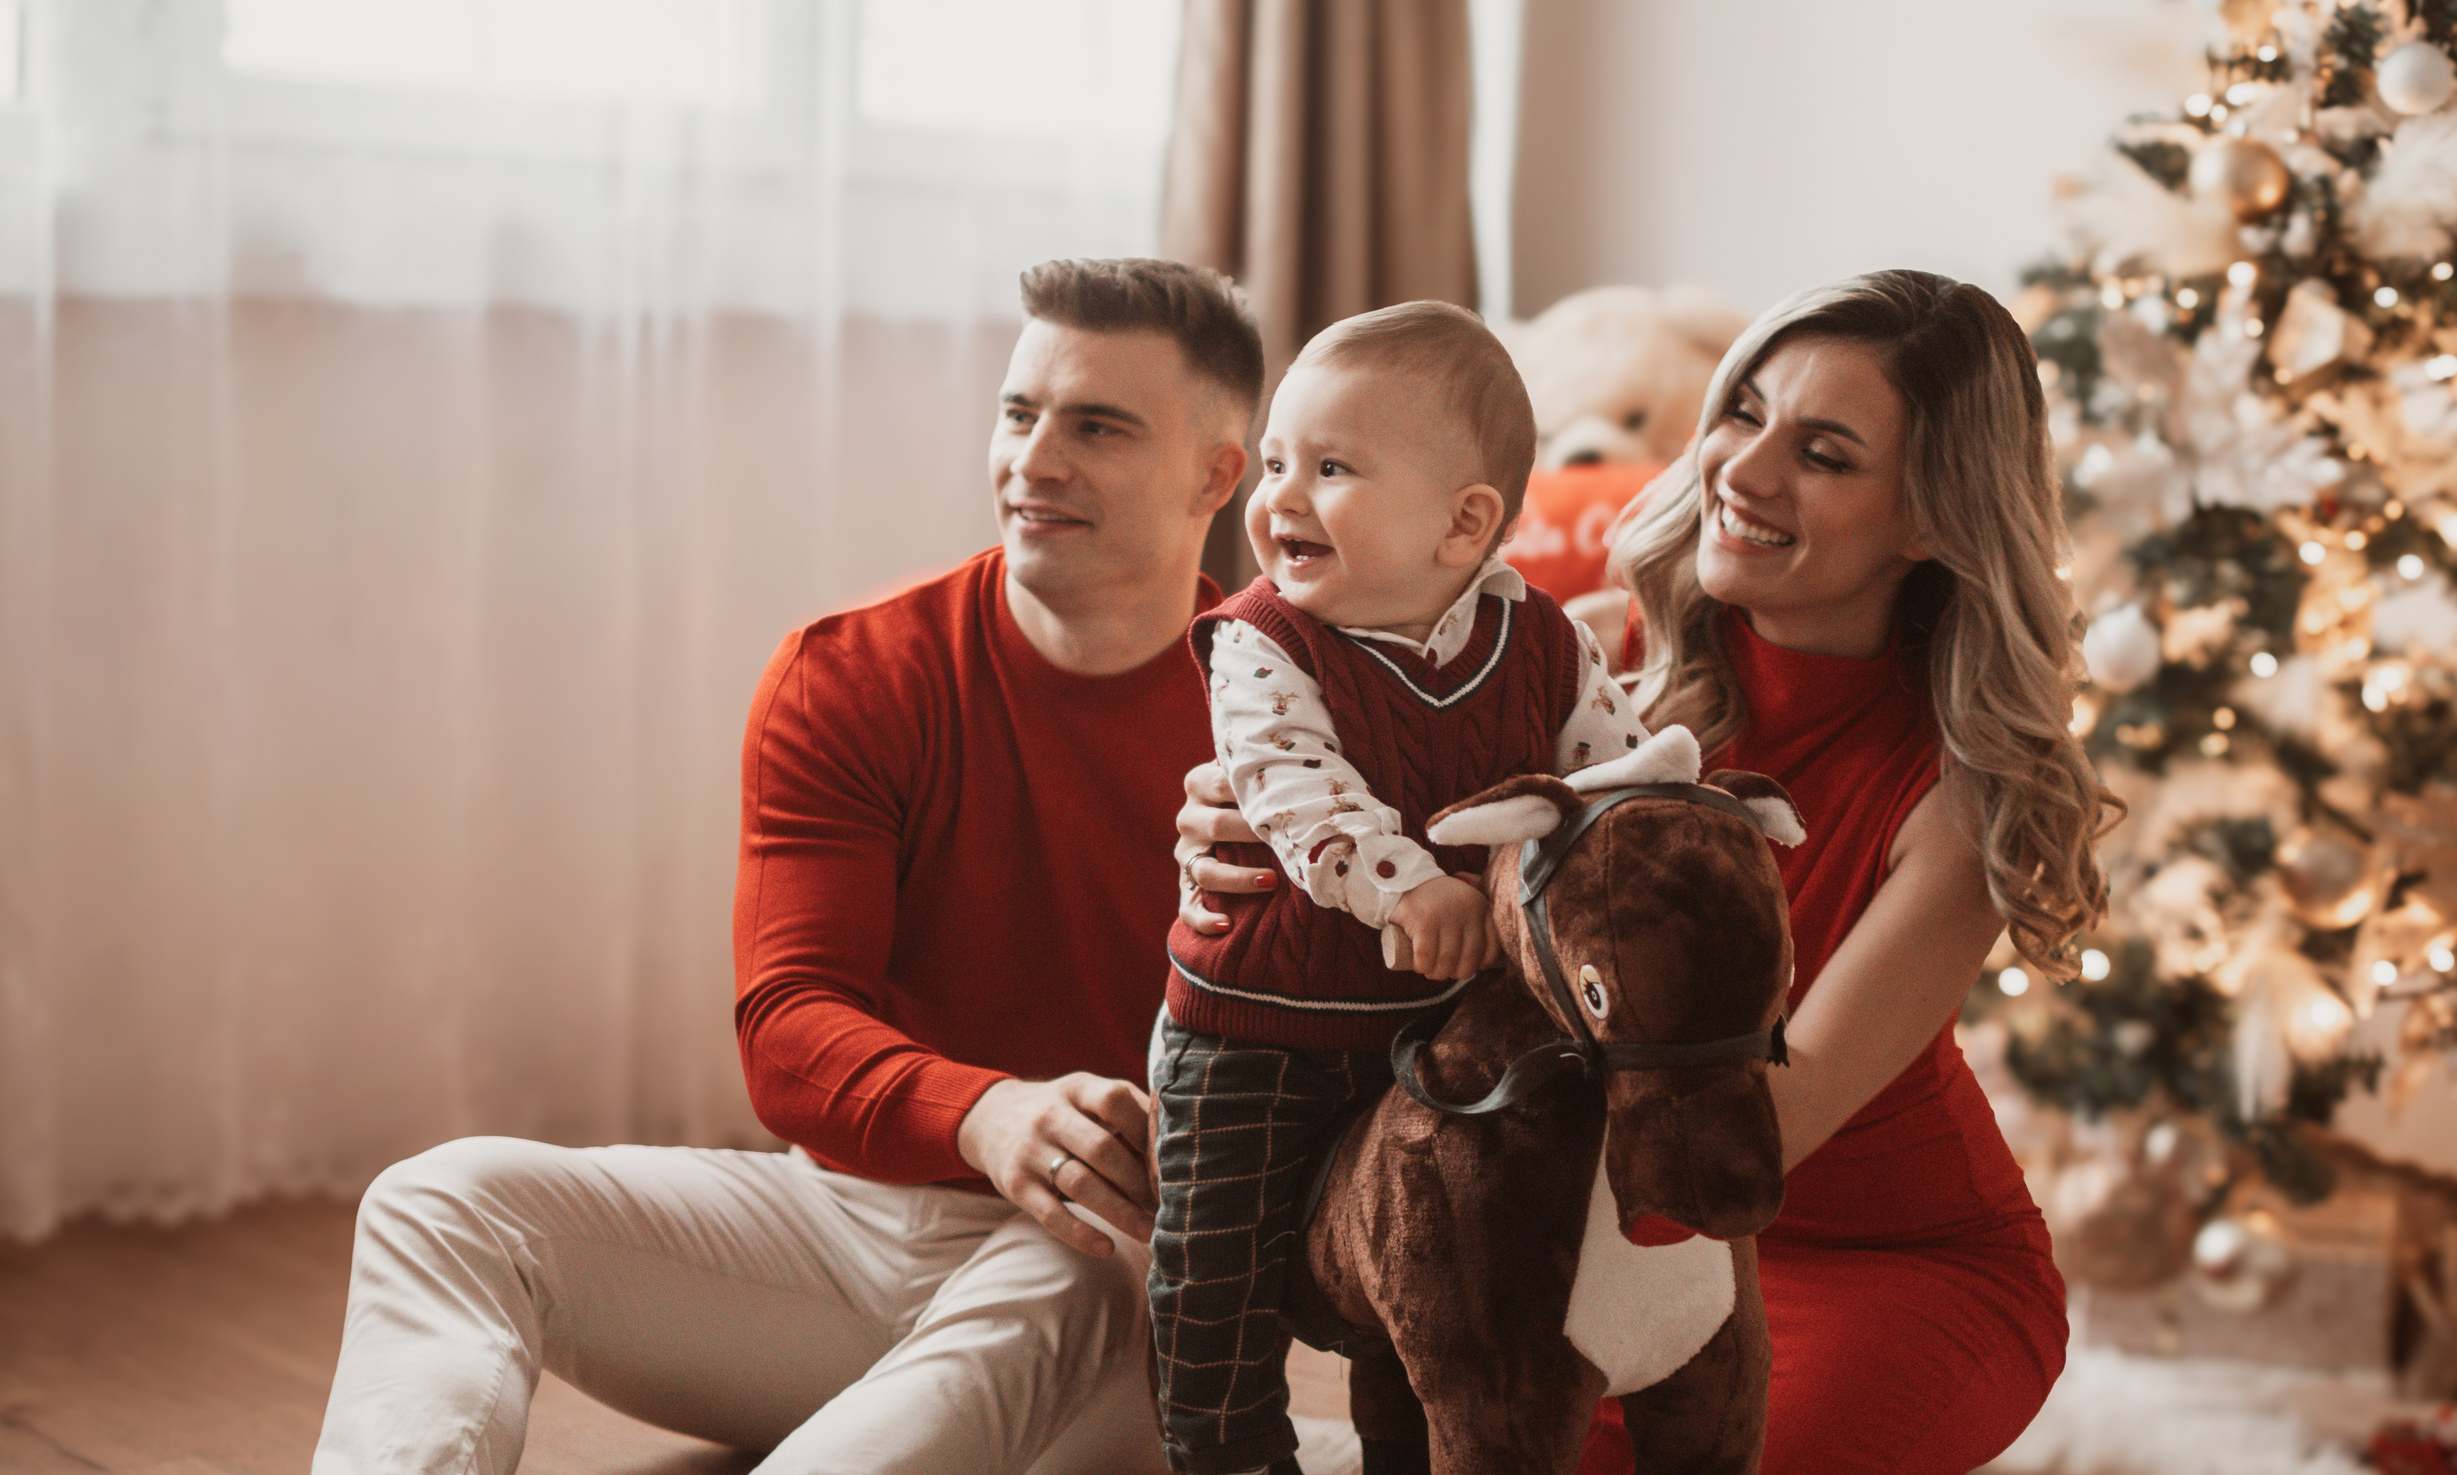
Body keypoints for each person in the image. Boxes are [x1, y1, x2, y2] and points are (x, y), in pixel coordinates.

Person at [312, 257, 1263, 1475]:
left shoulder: (1286, 727)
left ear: (1213, 473)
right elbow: (788, 1025)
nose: (1035, 459)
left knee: (1086, 1253)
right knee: (441, 1197)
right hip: (850, 1235)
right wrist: (985, 1112)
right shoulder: (855, 674)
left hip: (1111, 1282)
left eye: (1098, 425)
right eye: (1019, 412)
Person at [1177, 270, 2115, 1475]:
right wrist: (1245, 829)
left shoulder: (1959, 794)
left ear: (1931, 512)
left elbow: (1758, 1119)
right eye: (1741, 412)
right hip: (1572, 1219)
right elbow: (1364, 831)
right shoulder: (1572, 655)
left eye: (1823, 453)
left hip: (1870, 1250)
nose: (1746, 469)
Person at [1151, 302, 1651, 1475]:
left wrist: (1659, 820)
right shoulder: (1260, 640)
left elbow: (1613, 774)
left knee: (1423, 1298)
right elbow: (1293, 785)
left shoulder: (1541, 641)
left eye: (1331, 469)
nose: (1278, 498)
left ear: (1463, 521)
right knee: (1212, 1300)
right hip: (1255, 1038)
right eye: (1275, 462)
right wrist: (1406, 887)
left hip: (1433, 1035)